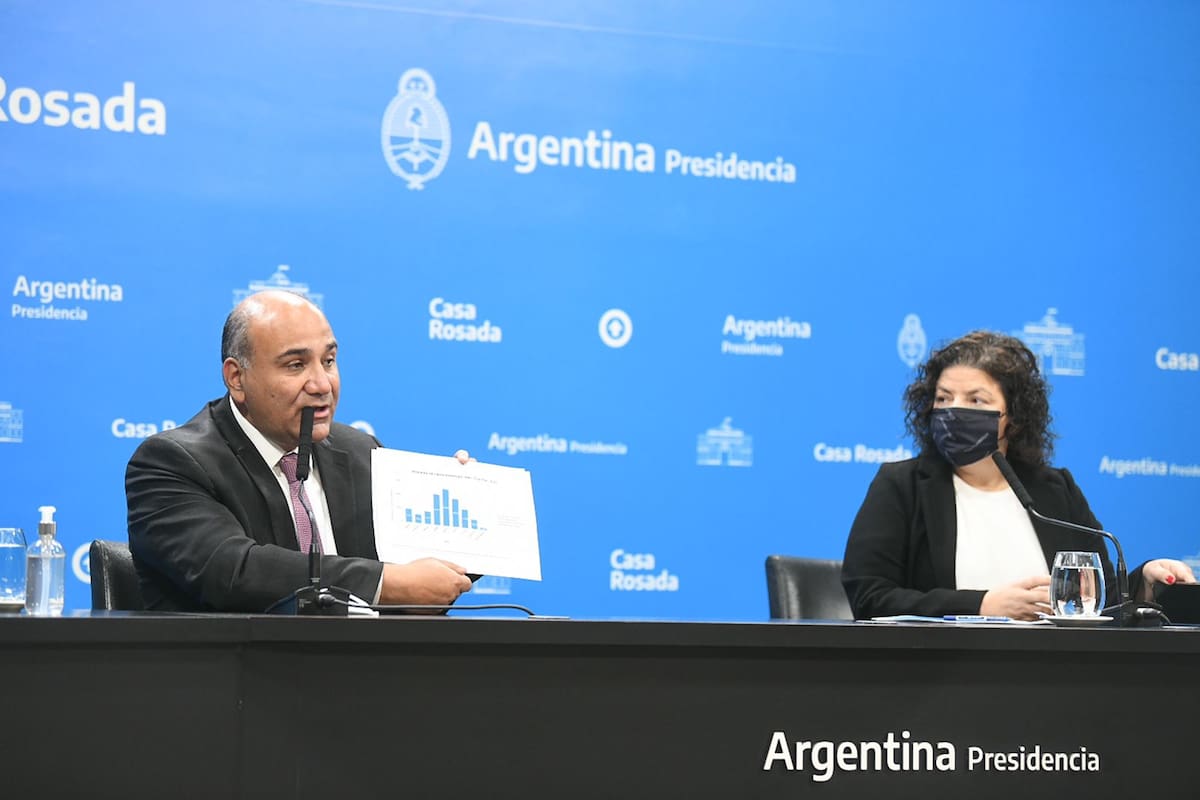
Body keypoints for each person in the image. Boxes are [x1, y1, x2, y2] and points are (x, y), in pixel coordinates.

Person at [126, 290, 476, 612]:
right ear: (237, 378)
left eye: (328, 361)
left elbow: (420, 577)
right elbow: (234, 571)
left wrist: (469, 516)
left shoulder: (359, 452)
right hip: (234, 674)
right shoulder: (172, 463)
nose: (322, 384)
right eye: (295, 365)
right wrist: (385, 582)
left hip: (367, 671)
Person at [842, 330, 1194, 621]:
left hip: (1052, 677)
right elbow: (870, 596)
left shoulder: (1053, 491)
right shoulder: (902, 486)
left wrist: (1147, 583)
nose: (953, 411)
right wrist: (981, 606)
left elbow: (1100, 600)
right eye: (943, 398)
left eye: (976, 400)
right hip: (936, 680)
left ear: (1013, 417)